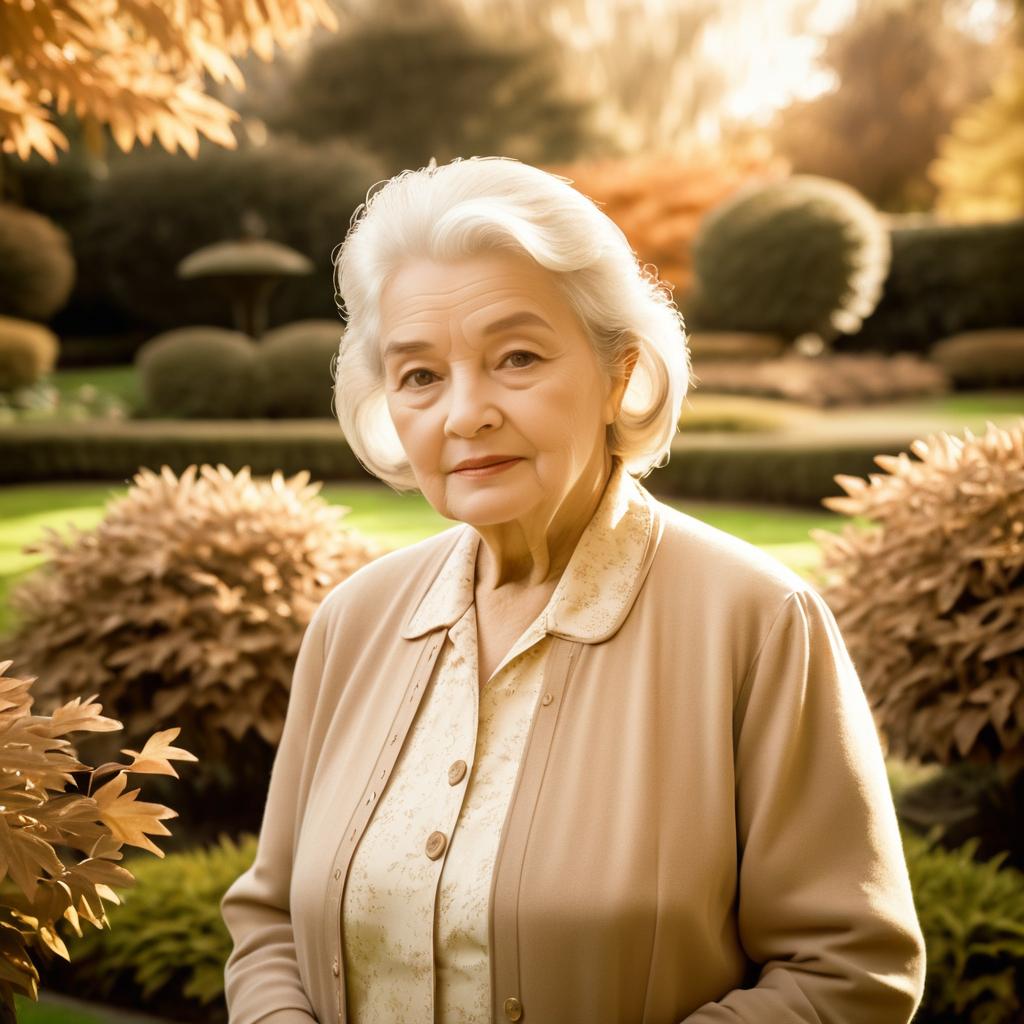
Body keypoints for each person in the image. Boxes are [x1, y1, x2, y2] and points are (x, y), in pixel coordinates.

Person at [220, 156, 926, 1024]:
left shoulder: (757, 623)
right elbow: (268, 922)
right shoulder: (352, 622)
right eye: (419, 375)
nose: (464, 413)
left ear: (618, 374)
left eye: (516, 357)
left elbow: (848, 973)